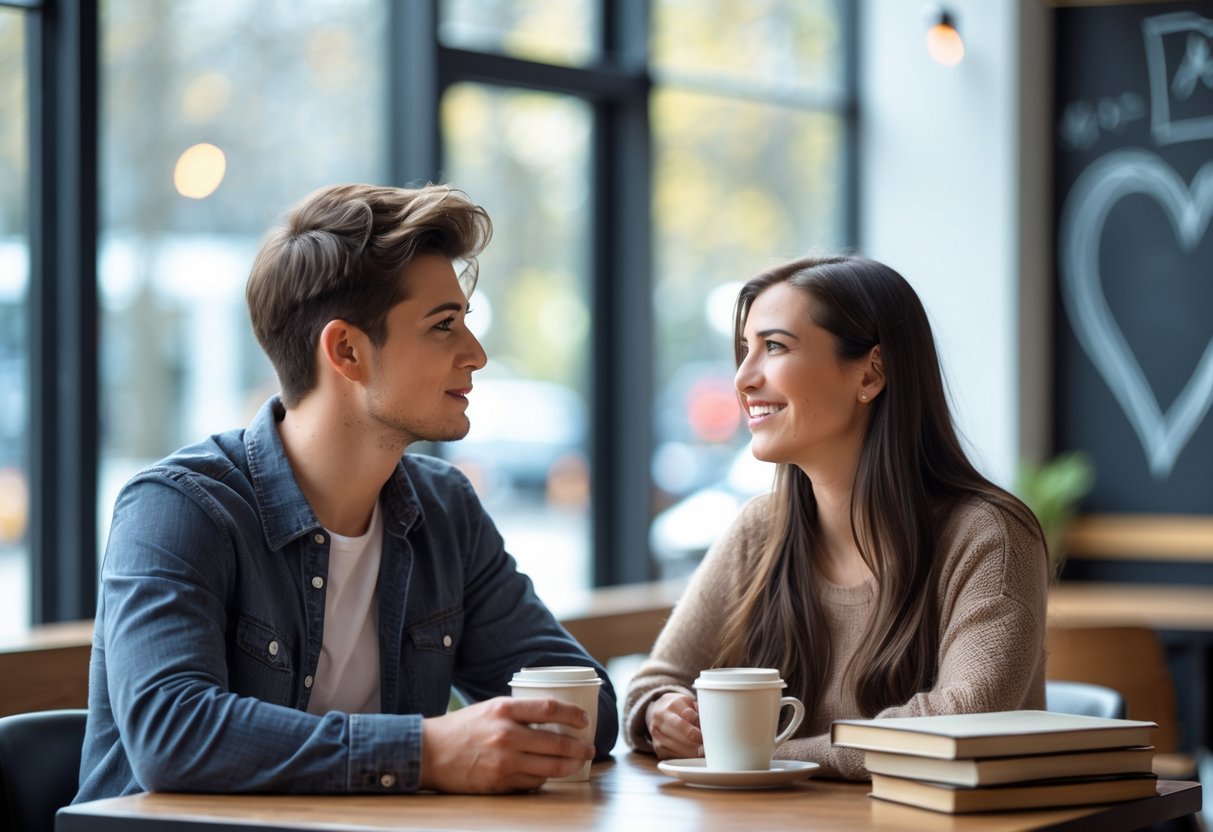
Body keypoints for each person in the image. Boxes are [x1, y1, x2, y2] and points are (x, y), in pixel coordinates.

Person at [76, 183, 617, 801]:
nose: (477, 354)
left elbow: (589, 706)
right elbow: (174, 734)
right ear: (347, 351)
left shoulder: (446, 510)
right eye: (444, 326)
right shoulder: (178, 507)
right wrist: (427, 752)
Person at [624, 255, 1048, 780]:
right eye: (743, 350)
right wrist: (662, 713)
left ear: (870, 374)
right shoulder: (759, 530)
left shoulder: (990, 537)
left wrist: (775, 756)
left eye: (774, 347)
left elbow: (961, 724)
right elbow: (654, 683)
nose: (742, 379)